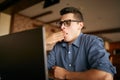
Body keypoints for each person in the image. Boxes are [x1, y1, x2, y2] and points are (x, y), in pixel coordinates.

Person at [47, 7, 116, 80]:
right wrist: (45, 42)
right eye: (61, 23)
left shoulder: (92, 41)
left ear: (80, 25)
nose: (62, 27)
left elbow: (105, 76)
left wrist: (66, 75)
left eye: (67, 23)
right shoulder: (58, 46)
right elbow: (40, 68)